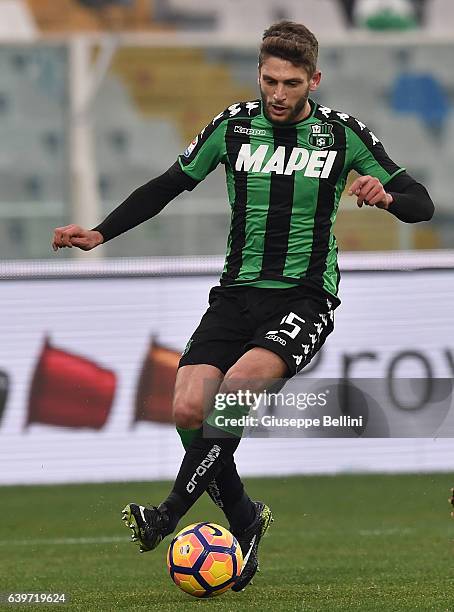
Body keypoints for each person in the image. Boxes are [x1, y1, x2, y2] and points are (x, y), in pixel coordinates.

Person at [52, 21, 434, 592]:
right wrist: (100, 234)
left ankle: (169, 513)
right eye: (269, 80)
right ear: (259, 73)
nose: (278, 94)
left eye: (291, 83)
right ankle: (246, 519)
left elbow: (422, 205)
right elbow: (168, 183)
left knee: (233, 391)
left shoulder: (342, 136)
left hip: (305, 297)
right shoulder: (232, 128)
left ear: (314, 80)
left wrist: (386, 197)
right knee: (186, 408)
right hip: (235, 296)